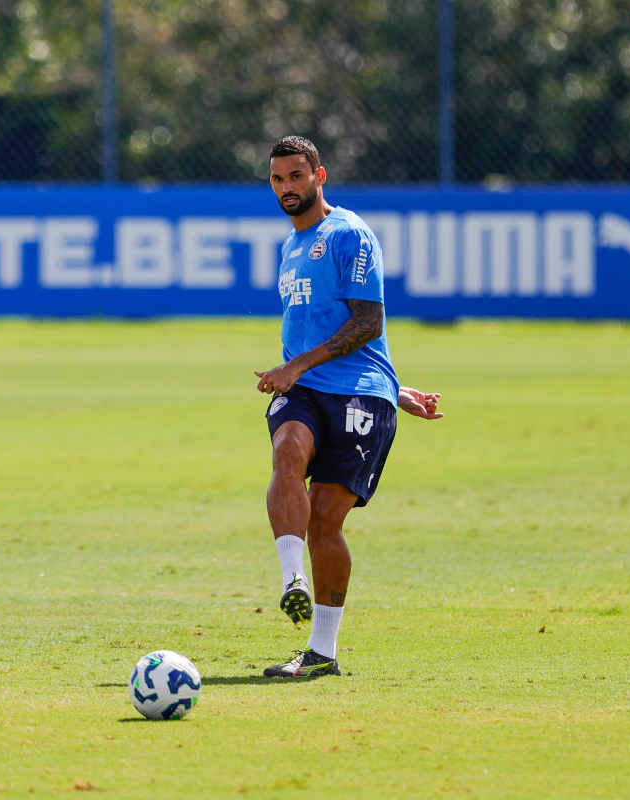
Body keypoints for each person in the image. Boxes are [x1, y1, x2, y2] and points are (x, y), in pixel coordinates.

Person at [255, 135, 444, 678]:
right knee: (288, 448)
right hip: (307, 386)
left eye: (296, 176)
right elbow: (317, 327)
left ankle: (322, 652)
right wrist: (299, 371)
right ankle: (293, 578)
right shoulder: (289, 247)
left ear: (319, 176)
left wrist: (387, 388)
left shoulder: (349, 234)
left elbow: (368, 323)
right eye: (277, 179)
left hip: (358, 392)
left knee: (324, 520)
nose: (287, 188)